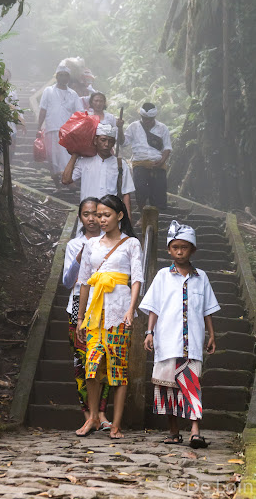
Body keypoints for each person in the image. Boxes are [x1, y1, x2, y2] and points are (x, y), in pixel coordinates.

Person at [139, 220, 220, 448]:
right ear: (169, 250)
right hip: (167, 342)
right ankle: (174, 432)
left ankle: (195, 431)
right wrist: (149, 332)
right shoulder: (163, 276)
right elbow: (154, 307)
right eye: (175, 247)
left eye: (184, 247)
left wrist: (211, 334)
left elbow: (207, 310)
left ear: (192, 250)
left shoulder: (201, 277)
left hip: (192, 344)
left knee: (192, 385)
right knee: (166, 388)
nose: (180, 251)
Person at [76, 194, 143, 439]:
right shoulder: (92, 244)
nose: (100, 220)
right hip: (95, 313)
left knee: (118, 367)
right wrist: (80, 316)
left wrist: (130, 309)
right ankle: (93, 417)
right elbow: (84, 282)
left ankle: (116, 424)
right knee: (91, 366)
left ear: (120, 216)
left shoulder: (131, 244)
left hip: (118, 312)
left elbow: (136, 279)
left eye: (106, 215)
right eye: (97, 215)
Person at [62, 197, 112, 431]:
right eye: (86, 214)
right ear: (80, 217)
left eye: (97, 213)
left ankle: (101, 412)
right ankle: (87, 414)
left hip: (106, 306)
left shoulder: (113, 242)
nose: (92, 219)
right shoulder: (74, 244)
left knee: (105, 360)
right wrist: (79, 258)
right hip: (78, 308)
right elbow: (67, 281)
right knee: (82, 363)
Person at [61, 123, 135, 220]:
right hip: (88, 215)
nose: (106, 144)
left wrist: (128, 220)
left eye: (110, 141)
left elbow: (126, 194)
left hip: (110, 217)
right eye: (103, 140)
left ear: (114, 143)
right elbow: (66, 180)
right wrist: (75, 154)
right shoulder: (84, 162)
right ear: (96, 140)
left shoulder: (121, 164)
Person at [120, 102, 172, 211]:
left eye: (150, 119)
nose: (147, 121)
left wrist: (162, 161)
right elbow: (123, 142)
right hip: (140, 163)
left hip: (158, 163)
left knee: (158, 193)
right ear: (141, 116)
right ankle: (143, 214)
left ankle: (155, 216)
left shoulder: (162, 128)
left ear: (154, 117)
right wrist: (120, 128)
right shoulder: (134, 127)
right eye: (144, 119)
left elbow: (167, 148)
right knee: (140, 190)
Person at [37, 65, 83, 186]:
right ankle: (58, 185)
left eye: (65, 75)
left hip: (67, 132)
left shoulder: (73, 94)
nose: (63, 77)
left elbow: (80, 113)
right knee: (52, 158)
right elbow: (43, 110)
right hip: (51, 129)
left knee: (66, 157)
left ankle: (69, 182)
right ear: (56, 76)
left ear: (69, 78)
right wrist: (38, 127)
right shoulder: (48, 91)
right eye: (60, 75)